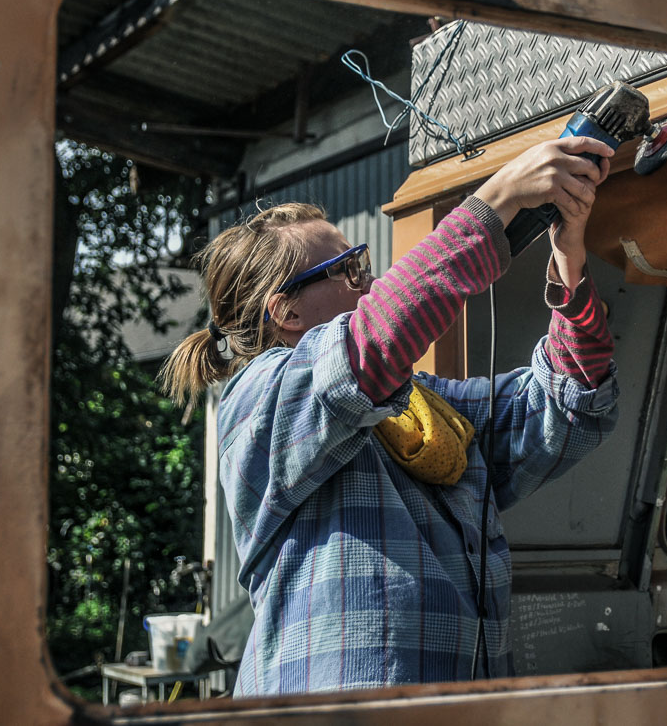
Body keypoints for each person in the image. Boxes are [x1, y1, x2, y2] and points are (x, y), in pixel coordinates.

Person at [161, 136, 621, 696]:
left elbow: (568, 402)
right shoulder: (259, 401)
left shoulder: (420, 408)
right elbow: (372, 339)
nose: (371, 282)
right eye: (350, 271)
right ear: (286, 311)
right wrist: (497, 199)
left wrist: (568, 267)